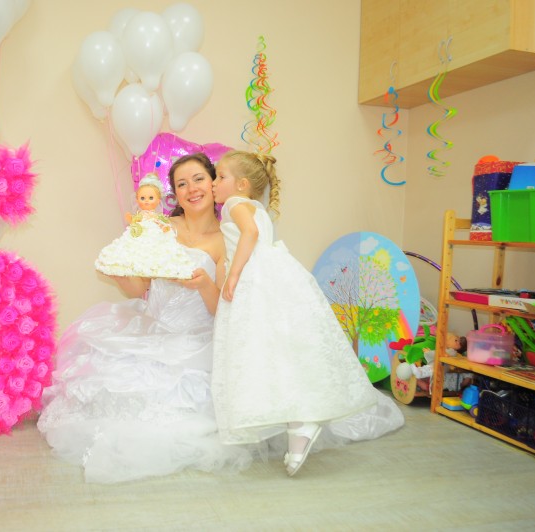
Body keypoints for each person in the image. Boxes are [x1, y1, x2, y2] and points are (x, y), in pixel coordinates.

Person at [37, 153, 252, 483]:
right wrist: (120, 274)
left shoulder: (226, 239)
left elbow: (220, 310)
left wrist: (204, 284)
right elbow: (139, 289)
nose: (192, 189)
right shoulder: (159, 228)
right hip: (150, 326)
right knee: (114, 376)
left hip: (194, 338)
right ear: (174, 194)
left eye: (198, 179)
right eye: (182, 184)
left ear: (212, 183)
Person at [210, 150, 404, 477]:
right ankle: (299, 424)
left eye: (220, 176)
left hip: (254, 282)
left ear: (241, 184)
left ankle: (297, 422)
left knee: (258, 352)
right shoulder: (257, 208)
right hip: (276, 280)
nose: (214, 183)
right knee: (284, 354)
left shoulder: (233, 204)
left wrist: (233, 274)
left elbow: (250, 234)